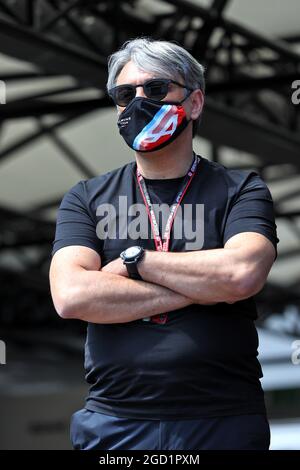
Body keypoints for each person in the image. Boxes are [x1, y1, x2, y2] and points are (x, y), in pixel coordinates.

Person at [49, 37, 279, 450]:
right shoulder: (85, 197)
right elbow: (71, 296)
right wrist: (201, 289)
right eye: (125, 94)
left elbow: (240, 274)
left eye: (156, 90)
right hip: (112, 423)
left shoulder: (241, 189)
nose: (139, 102)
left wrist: (132, 263)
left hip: (221, 421)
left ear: (194, 103)